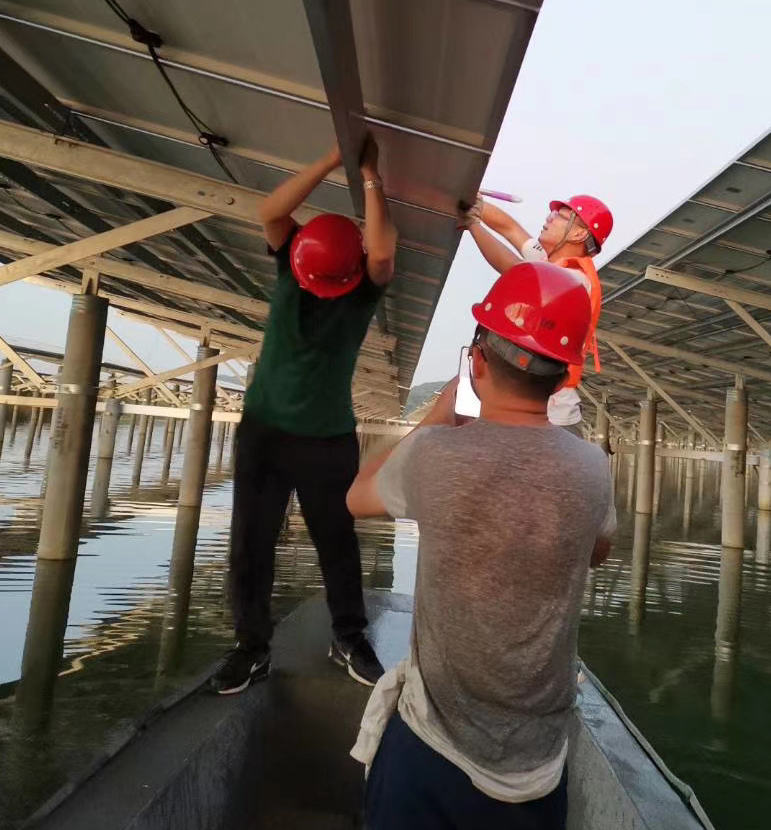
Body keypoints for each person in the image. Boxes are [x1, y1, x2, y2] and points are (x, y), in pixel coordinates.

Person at [346, 261, 617, 829]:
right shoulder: (593, 469)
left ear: (476, 361)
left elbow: (356, 497)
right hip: (537, 766)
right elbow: (596, 552)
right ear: (561, 378)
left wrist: (435, 417)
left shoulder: (436, 456)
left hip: (430, 749)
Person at [210, 136, 397, 694]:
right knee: (251, 543)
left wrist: (368, 173)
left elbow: (381, 251)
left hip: (326, 438)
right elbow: (271, 210)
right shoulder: (295, 257)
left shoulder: (362, 287)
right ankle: (252, 648)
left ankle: (349, 638)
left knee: (337, 541)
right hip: (265, 432)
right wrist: (333, 159)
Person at [461, 193, 613, 433]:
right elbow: (511, 229)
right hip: (538, 413)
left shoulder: (575, 280)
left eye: (560, 216)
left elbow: (515, 271)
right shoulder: (550, 263)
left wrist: (473, 225)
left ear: (578, 234)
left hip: (553, 420)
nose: (549, 218)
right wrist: (474, 203)